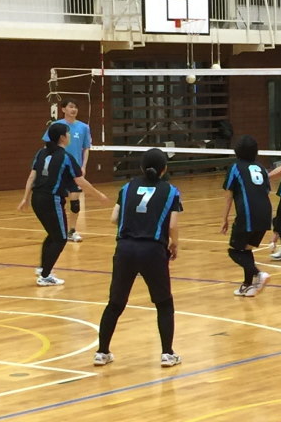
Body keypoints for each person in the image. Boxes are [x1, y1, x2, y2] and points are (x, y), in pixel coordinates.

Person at [95, 148, 182, 368]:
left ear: (142, 167)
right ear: (164, 169)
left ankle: (102, 352)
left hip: (125, 249)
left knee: (115, 303)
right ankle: (167, 354)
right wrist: (174, 243)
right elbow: (172, 225)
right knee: (164, 303)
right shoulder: (170, 191)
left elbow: (114, 218)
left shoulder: (127, 187)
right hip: (152, 250)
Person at [19, 121, 105, 287]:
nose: (70, 135)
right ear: (62, 137)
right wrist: (98, 195)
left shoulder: (41, 153)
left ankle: (43, 268)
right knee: (60, 238)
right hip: (51, 200)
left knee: (53, 235)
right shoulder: (65, 157)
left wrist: (25, 198)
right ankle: (45, 276)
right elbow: (80, 180)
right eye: (68, 133)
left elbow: (32, 177)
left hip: (37, 198)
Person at [220, 135, 275, 297]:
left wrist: (224, 218)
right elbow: (266, 190)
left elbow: (229, 195)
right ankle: (248, 285)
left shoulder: (235, 168)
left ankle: (259, 274)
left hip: (248, 214)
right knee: (246, 249)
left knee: (235, 251)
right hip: (266, 213)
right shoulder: (261, 168)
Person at [53, 98, 93, 242]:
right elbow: (48, 146)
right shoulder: (56, 126)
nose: (73, 109)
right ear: (63, 109)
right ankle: (59, 230)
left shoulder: (84, 127)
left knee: (75, 202)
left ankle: (72, 231)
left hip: (74, 171)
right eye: (70, 106)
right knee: (59, 202)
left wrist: (83, 166)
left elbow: (86, 148)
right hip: (59, 169)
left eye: (75, 107)